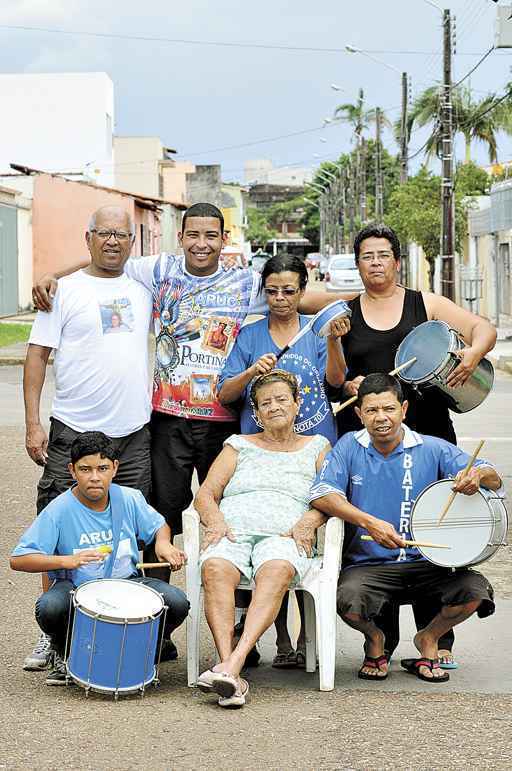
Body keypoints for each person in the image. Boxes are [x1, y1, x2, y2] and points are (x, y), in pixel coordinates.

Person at [33, 202, 350, 584]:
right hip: (168, 420)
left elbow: (304, 298)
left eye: (211, 235)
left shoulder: (245, 281)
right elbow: (103, 258)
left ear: (224, 239)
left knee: (230, 511)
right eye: (193, 235)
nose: (201, 243)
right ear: (180, 238)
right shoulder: (157, 269)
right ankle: (157, 619)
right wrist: (51, 275)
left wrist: (347, 309)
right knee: (160, 517)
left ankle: (236, 619)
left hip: (224, 422)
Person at [336, 223, 497, 667]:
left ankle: (435, 642)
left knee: (434, 525)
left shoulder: (424, 303)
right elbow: (335, 374)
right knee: (380, 531)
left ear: (396, 260)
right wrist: (347, 380)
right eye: (367, 255)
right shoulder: (346, 312)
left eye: (383, 254)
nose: (375, 263)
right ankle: (381, 641)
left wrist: (472, 354)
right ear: (357, 263)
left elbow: (483, 327)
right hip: (374, 436)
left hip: (430, 432)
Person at [23, 205, 153, 671]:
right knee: (58, 530)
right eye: (104, 234)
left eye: (121, 234)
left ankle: (126, 626)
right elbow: (37, 356)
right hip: (72, 429)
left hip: (133, 433)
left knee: (127, 532)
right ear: (89, 237)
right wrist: (34, 423)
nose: (113, 242)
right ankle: (54, 634)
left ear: (131, 241)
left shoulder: (144, 286)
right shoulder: (64, 291)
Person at [310, 373, 500, 683]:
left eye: (389, 408)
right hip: (368, 565)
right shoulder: (348, 446)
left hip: (428, 563)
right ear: (359, 414)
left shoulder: (432, 448)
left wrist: (477, 477)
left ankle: (429, 638)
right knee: (344, 598)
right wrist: (368, 521)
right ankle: (375, 639)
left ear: (404, 409)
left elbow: (492, 475)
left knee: (476, 592)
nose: (381, 417)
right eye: (371, 410)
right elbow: (323, 493)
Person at [217, 253, 348, 667]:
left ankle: (308, 637)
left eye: (289, 290)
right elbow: (225, 394)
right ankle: (280, 640)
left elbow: (336, 381)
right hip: (264, 453)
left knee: (304, 538)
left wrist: (333, 340)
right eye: (271, 291)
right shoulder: (250, 336)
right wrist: (251, 372)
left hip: (311, 449)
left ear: (302, 291)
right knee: (267, 528)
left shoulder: (316, 330)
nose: (280, 298)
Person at [194, 370, 330, 708]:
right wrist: (214, 521)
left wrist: (312, 518)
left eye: (282, 399)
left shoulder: (316, 447)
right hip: (233, 532)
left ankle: (231, 665)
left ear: (298, 405)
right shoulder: (238, 446)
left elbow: (333, 496)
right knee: (214, 567)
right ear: (256, 413)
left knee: (277, 568)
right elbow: (206, 494)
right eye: (265, 403)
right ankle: (231, 669)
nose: (274, 407)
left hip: (285, 536)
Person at [10, 432, 189, 686]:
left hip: (127, 583)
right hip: (76, 590)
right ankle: (65, 653)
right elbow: (19, 559)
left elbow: (160, 526)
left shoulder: (128, 498)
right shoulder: (59, 509)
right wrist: (65, 562)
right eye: (85, 469)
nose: (95, 477)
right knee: (49, 607)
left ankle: (145, 648)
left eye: (102, 468)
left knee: (176, 601)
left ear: (114, 468)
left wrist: (163, 543)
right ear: (72, 471)